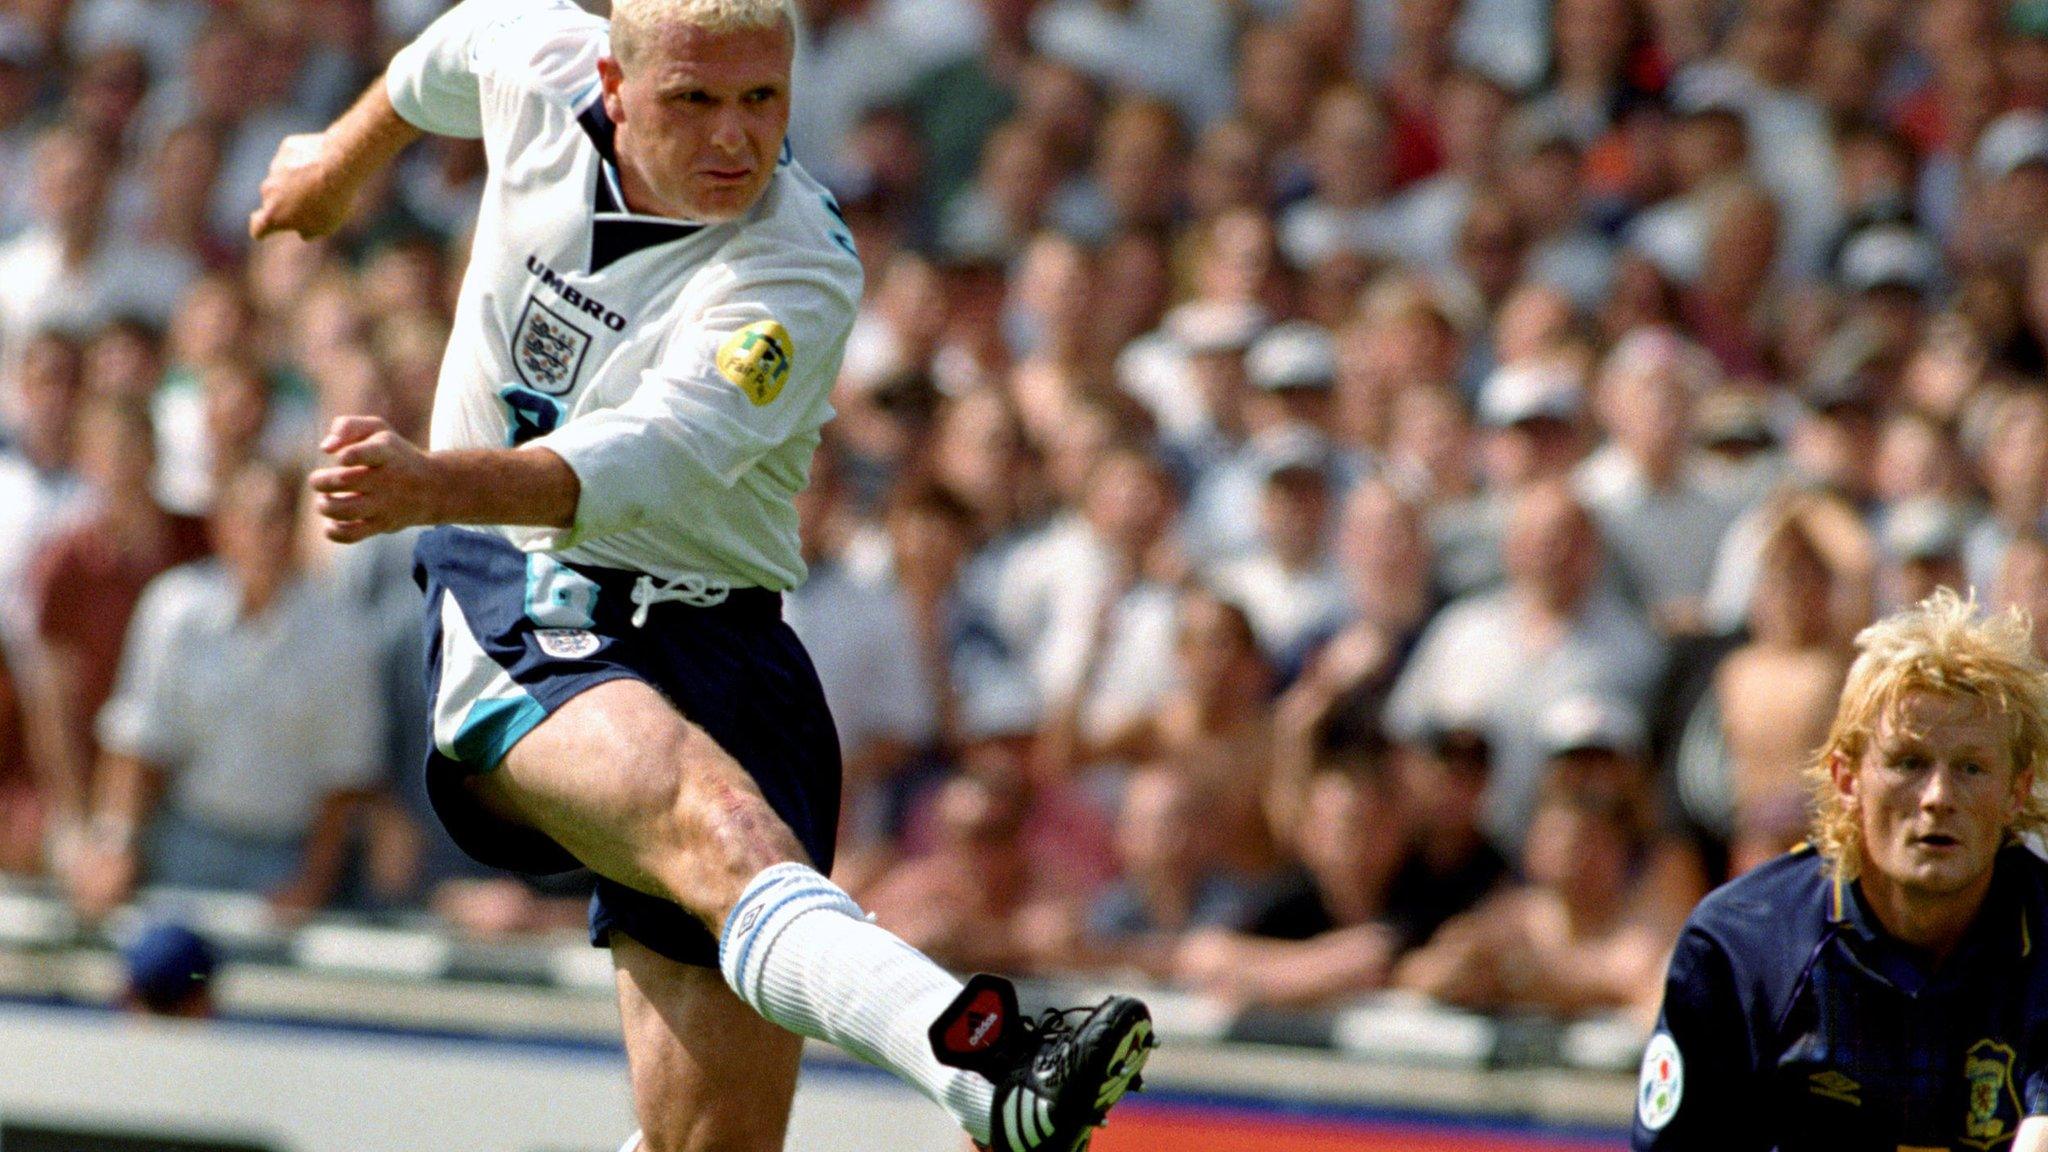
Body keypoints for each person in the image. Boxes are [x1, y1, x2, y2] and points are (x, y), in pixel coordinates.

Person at [245, 3, 1153, 1151]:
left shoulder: (799, 265)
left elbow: (652, 454)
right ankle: (987, 1060)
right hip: (528, 588)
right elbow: (453, 45)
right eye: (695, 101)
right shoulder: (540, 68)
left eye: (761, 101)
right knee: (715, 823)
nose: (736, 138)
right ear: (616, 85)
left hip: (731, 646)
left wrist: (431, 482)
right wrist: (336, 161)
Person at [1635, 589, 2048, 1150]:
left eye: (1972, 768)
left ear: (2016, 791)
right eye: (1909, 762)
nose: (1938, 797)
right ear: (1847, 778)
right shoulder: (1742, 946)